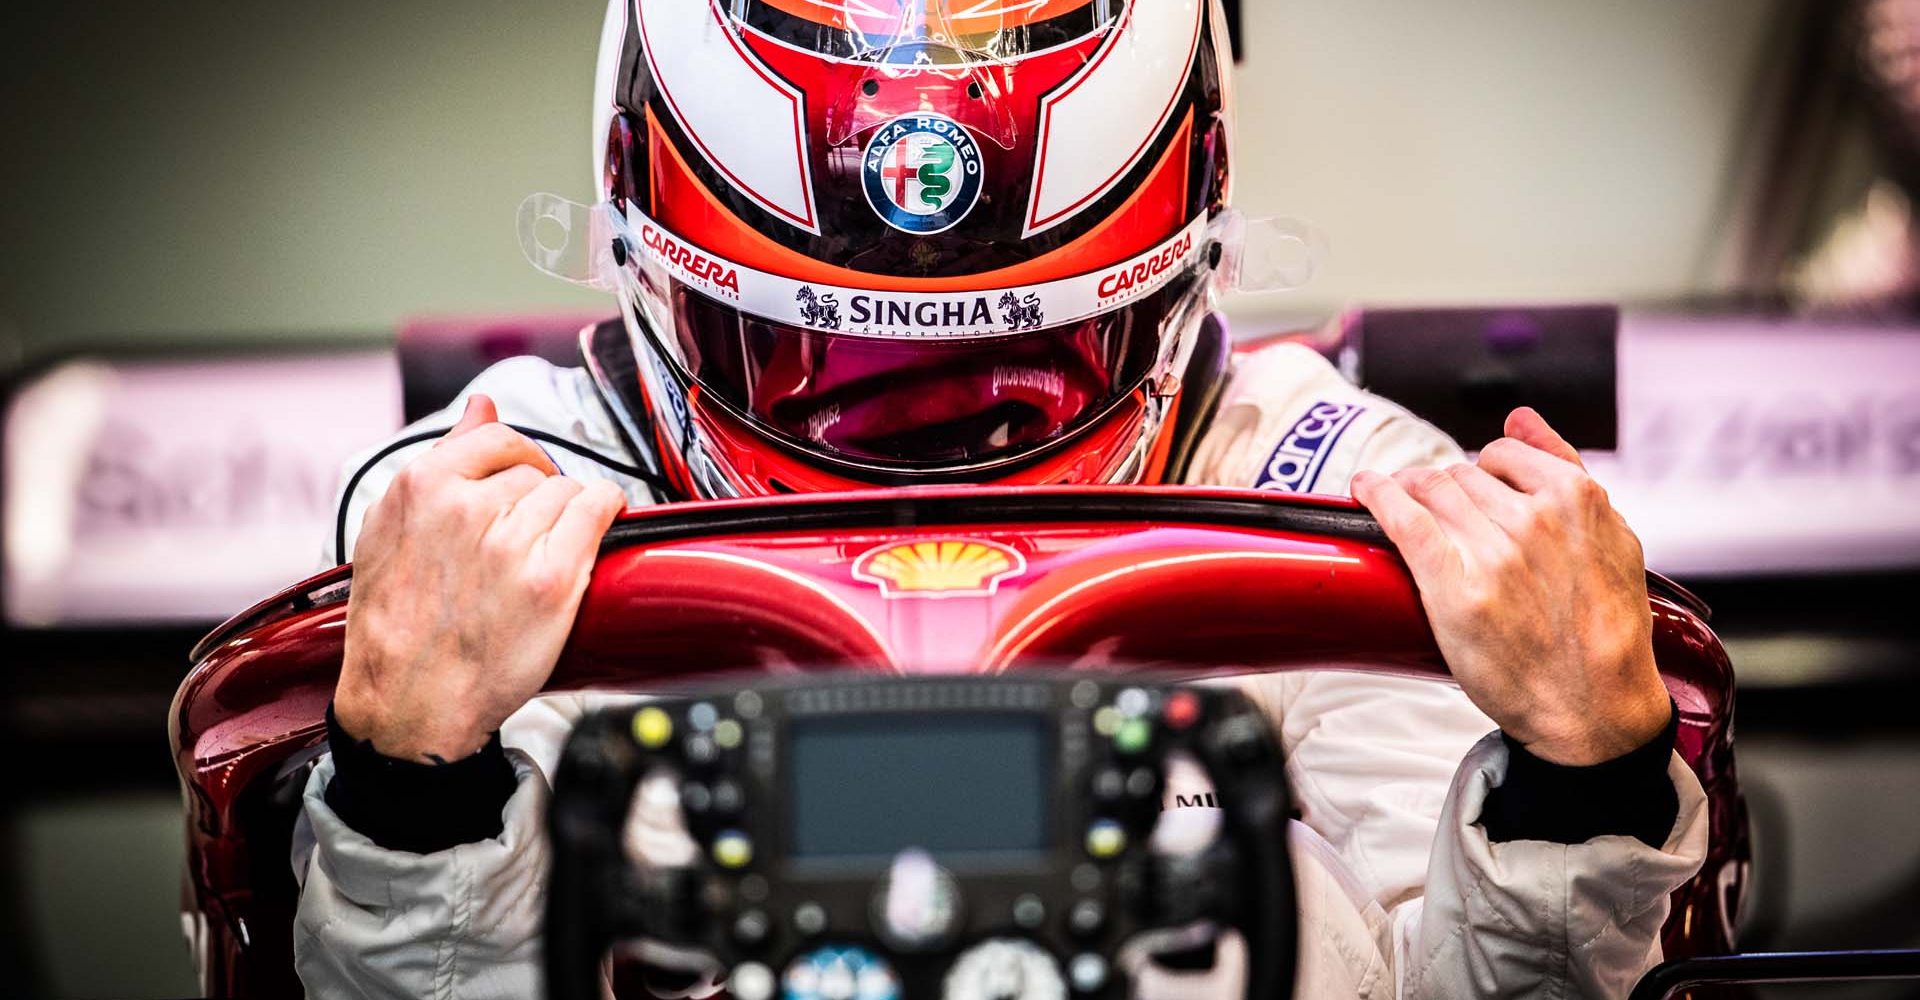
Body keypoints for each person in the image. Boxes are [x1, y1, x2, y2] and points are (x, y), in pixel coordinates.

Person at [290, 2, 1706, 997]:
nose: (919, 426)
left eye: (1011, 356)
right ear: (640, 242)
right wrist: (417, 800)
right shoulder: (499, 496)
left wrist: (1581, 779)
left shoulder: (1333, 483)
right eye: (820, 351)